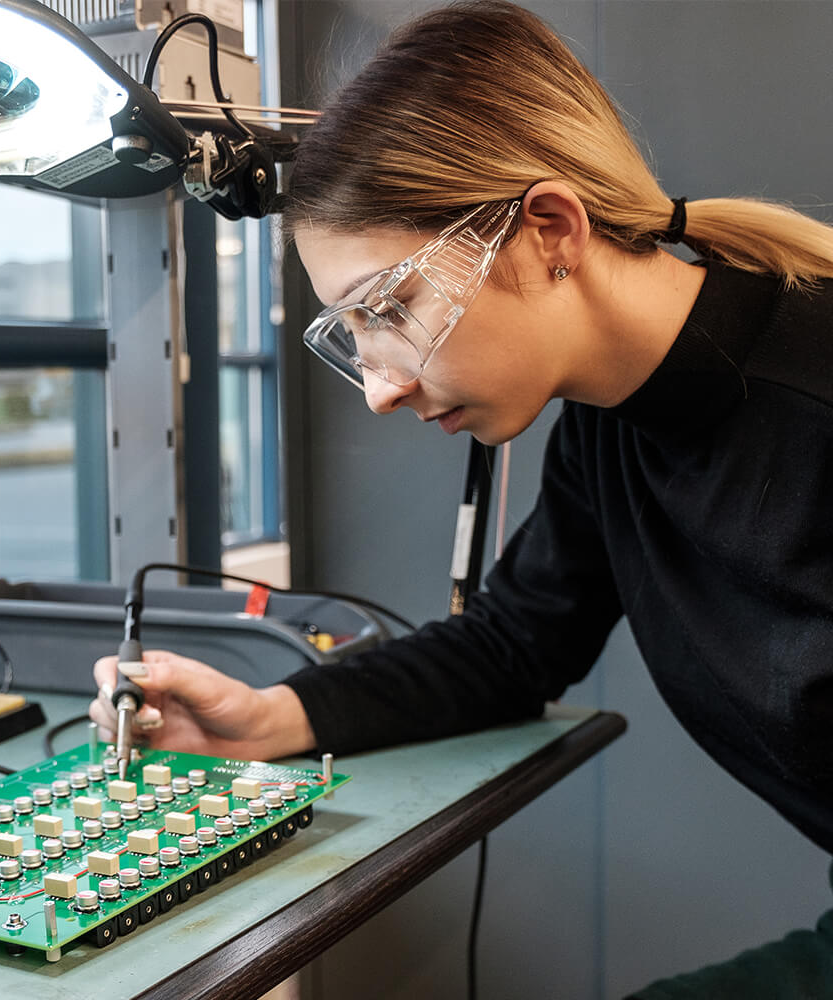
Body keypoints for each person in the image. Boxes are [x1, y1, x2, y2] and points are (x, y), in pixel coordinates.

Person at [90, 2, 833, 995]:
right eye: (351, 333)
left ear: (548, 231)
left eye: (389, 308)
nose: (385, 386)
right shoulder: (609, 431)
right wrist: (265, 716)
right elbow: (513, 645)